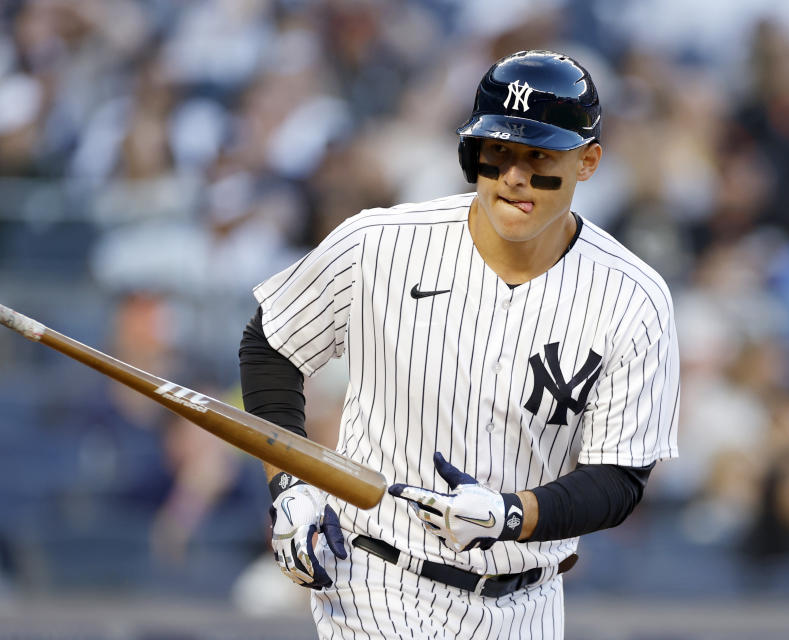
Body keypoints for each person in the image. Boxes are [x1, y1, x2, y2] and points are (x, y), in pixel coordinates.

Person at [239, 50, 679, 639]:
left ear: (588, 161)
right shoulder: (380, 244)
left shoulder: (634, 297)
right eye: (498, 151)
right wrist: (290, 487)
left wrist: (511, 513)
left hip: (529, 601)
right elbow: (271, 344)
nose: (515, 176)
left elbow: (620, 479)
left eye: (539, 154)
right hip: (376, 582)